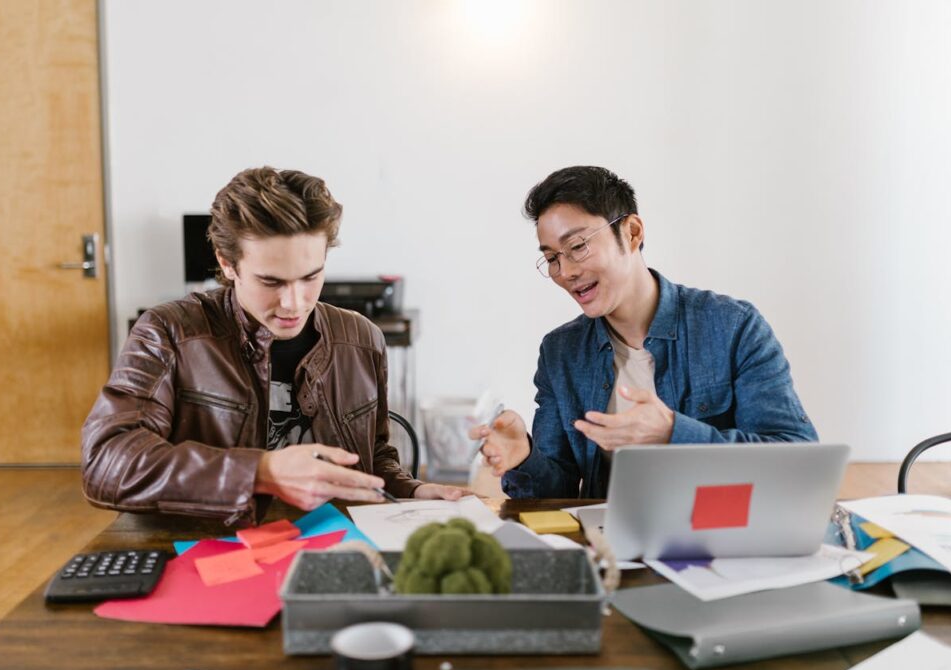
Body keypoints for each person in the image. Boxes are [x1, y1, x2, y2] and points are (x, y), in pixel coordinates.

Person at [82, 166, 463, 525]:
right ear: (227, 264)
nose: (294, 303)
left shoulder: (362, 339)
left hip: (333, 546)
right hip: (216, 548)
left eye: (310, 276)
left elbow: (374, 460)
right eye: (271, 282)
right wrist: (260, 473)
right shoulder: (169, 332)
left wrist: (413, 489)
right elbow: (105, 461)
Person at [471, 166, 818, 499]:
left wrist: (672, 432)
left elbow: (797, 459)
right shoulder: (561, 352)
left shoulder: (732, 327)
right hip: (609, 546)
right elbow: (556, 493)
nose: (566, 272)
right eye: (552, 258)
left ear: (632, 232)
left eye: (578, 246)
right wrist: (524, 457)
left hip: (721, 537)